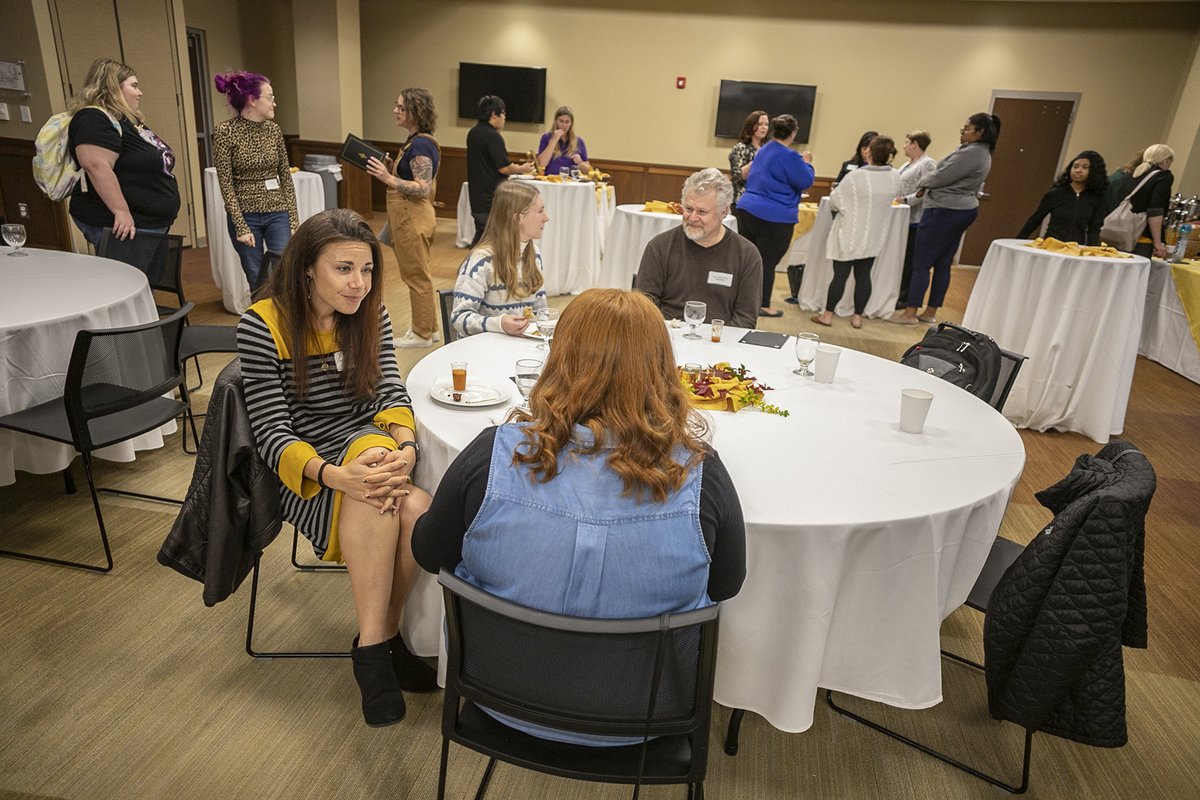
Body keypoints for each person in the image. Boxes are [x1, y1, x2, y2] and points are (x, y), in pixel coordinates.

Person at [411, 287, 747, 746]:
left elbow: (429, 553)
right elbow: (726, 585)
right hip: (644, 716)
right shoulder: (700, 474)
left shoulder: (493, 455)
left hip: (497, 694)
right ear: (662, 369)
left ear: (559, 359)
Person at [236, 209, 437, 728]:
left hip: (362, 443)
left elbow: (390, 390)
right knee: (389, 499)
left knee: (420, 508)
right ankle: (378, 650)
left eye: (367, 270)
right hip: (303, 467)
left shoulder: (370, 315)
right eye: (344, 269)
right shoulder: (263, 324)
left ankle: (375, 641)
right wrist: (335, 475)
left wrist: (407, 447)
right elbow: (272, 433)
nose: (360, 284)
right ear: (308, 269)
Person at [890, 112, 1001, 325]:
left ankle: (910, 313)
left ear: (980, 132)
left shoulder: (973, 153)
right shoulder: (978, 152)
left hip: (944, 210)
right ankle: (930, 312)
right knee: (942, 263)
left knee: (921, 263)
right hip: (958, 210)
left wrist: (925, 181)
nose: (963, 132)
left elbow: (938, 176)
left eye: (967, 128)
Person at [66, 57, 180, 247]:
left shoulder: (124, 121)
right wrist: (121, 211)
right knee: (132, 276)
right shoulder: (93, 118)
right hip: (126, 226)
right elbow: (96, 165)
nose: (140, 92)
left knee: (151, 276)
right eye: (134, 86)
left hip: (150, 224)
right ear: (113, 88)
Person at [635, 168, 761, 328]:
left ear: (723, 212)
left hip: (720, 343)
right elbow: (644, 308)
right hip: (667, 338)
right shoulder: (660, 246)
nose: (693, 218)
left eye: (702, 212)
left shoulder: (747, 255)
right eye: (688, 209)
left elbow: (745, 319)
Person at [366, 87, 441, 348]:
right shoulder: (415, 141)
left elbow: (423, 188)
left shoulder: (420, 144)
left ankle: (421, 334)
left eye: (401, 107)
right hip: (408, 216)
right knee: (418, 274)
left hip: (412, 216)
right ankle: (430, 329)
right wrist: (390, 168)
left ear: (415, 112)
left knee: (416, 277)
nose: (395, 111)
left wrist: (387, 178)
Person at [212, 70, 297, 288]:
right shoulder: (225, 132)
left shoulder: (274, 131)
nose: (274, 103)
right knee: (258, 280)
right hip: (246, 216)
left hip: (277, 212)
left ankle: (284, 321)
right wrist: (240, 225)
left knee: (284, 274)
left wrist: (293, 220)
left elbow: (285, 177)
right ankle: (260, 322)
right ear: (252, 100)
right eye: (270, 97)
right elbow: (226, 183)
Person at [812, 135, 900, 329]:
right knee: (864, 276)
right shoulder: (894, 177)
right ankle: (857, 317)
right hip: (874, 236)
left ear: (870, 152)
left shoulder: (857, 176)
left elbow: (835, 200)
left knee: (840, 276)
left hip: (849, 234)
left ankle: (827, 315)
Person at [734, 114, 815, 317]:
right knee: (767, 262)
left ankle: (739, 298)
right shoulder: (791, 157)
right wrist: (808, 163)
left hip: (747, 209)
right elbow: (805, 181)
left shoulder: (764, 149)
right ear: (794, 133)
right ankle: (762, 304)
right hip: (774, 216)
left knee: (746, 259)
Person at [451, 180, 550, 337]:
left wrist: (540, 328)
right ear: (518, 218)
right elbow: (459, 317)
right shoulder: (482, 260)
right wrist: (499, 324)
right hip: (484, 351)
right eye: (540, 211)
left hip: (519, 348)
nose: (546, 217)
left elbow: (541, 310)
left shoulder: (533, 254)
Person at [466, 95, 534, 247]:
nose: (504, 118)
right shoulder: (492, 136)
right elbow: (504, 167)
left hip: (477, 193)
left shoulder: (473, 132)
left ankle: (471, 266)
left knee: (482, 233)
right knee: (489, 238)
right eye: (503, 114)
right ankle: (473, 267)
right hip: (491, 195)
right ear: (494, 114)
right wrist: (523, 169)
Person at [1016, 150, 1108, 246]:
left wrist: (1092, 253)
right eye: (1075, 166)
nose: (1078, 170)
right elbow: (1035, 219)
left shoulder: (1098, 198)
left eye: (1085, 167)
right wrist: (1017, 241)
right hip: (1051, 246)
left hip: (1075, 249)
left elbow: (1094, 230)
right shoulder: (1055, 194)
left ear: (1094, 171)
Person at [894, 129, 936, 308]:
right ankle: (898, 292)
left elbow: (925, 190)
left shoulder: (928, 164)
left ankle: (905, 297)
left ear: (914, 144)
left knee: (911, 259)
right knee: (902, 259)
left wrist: (906, 200)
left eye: (906, 142)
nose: (903, 146)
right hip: (902, 217)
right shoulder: (906, 164)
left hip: (916, 219)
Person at [1127, 144, 1175, 259]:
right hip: (1142, 237)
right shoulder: (1163, 177)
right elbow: (1155, 211)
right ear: (1165, 160)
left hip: (1123, 233)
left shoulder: (1132, 175)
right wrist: (1158, 243)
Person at [728, 109, 768, 207]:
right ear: (751, 126)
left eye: (766, 124)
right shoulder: (740, 148)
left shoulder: (768, 148)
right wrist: (757, 159)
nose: (764, 128)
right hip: (742, 200)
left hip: (764, 200)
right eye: (760, 124)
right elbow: (738, 177)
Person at [536, 105, 592, 176]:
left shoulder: (579, 141)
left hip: (571, 182)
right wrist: (554, 140)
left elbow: (588, 171)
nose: (564, 125)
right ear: (556, 121)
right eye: (561, 121)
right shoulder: (546, 137)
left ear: (571, 124)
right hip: (550, 180)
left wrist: (580, 162)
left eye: (567, 122)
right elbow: (542, 164)